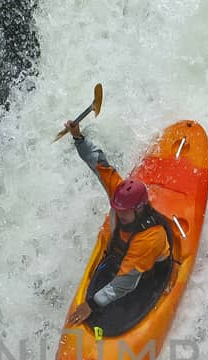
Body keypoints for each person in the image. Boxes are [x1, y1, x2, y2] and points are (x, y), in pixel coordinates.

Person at [64, 119, 175, 331]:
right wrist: (78, 137)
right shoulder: (119, 194)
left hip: (147, 274)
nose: (120, 213)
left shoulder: (150, 238)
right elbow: (98, 162)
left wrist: (92, 304)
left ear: (140, 208)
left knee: (107, 309)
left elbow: (126, 282)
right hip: (120, 259)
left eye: (125, 211)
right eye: (118, 208)